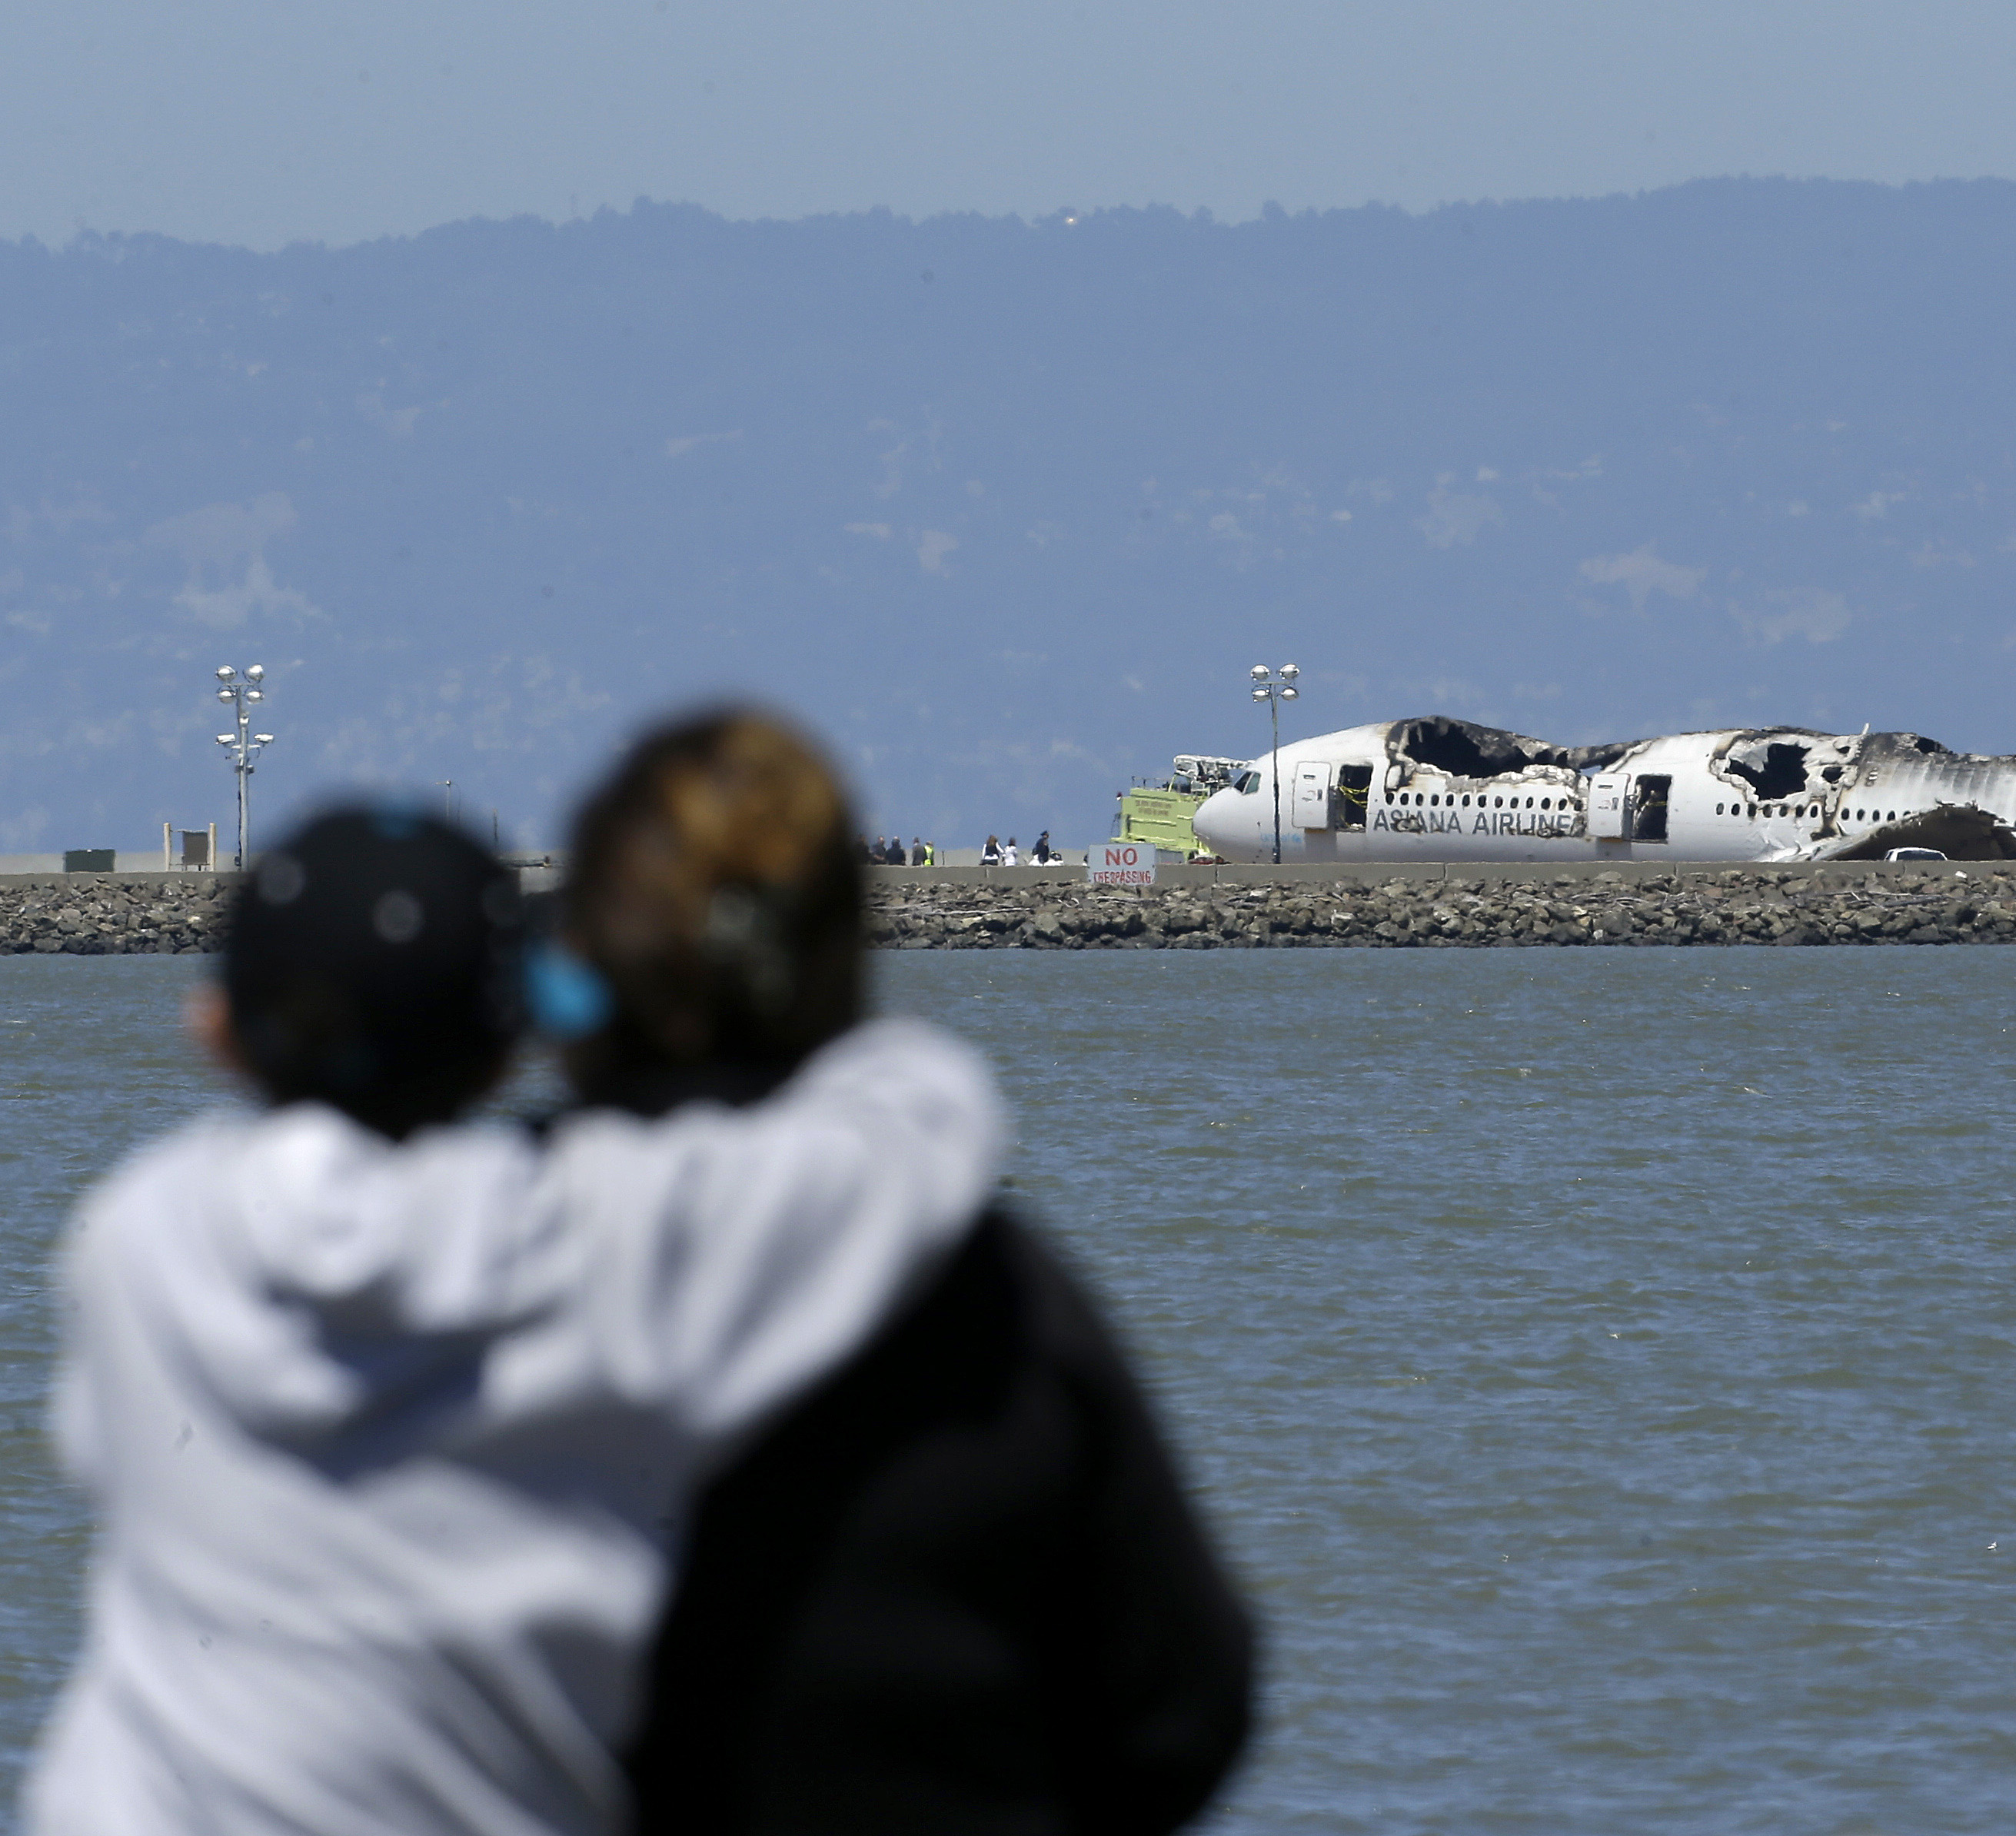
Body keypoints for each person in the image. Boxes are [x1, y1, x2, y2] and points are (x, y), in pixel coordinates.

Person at [31, 764, 1008, 1834]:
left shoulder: (136, 1239)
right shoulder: (593, 1241)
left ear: (214, 1032)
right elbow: (920, 1125)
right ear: (511, 1053)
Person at [554, 713, 1253, 1834]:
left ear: (579, 963)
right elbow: (1186, 1707)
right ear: (843, 958)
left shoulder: (460, 1271)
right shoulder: (994, 1295)